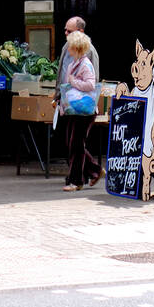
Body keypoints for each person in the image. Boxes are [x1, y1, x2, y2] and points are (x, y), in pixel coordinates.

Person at [59, 29, 102, 190]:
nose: (67, 48)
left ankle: (76, 181)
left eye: (70, 46)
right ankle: (95, 170)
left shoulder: (85, 65)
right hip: (74, 110)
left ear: (76, 48)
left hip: (84, 111)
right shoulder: (73, 64)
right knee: (73, 144)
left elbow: (91, 85)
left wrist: (74, 82)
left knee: (76, 145)